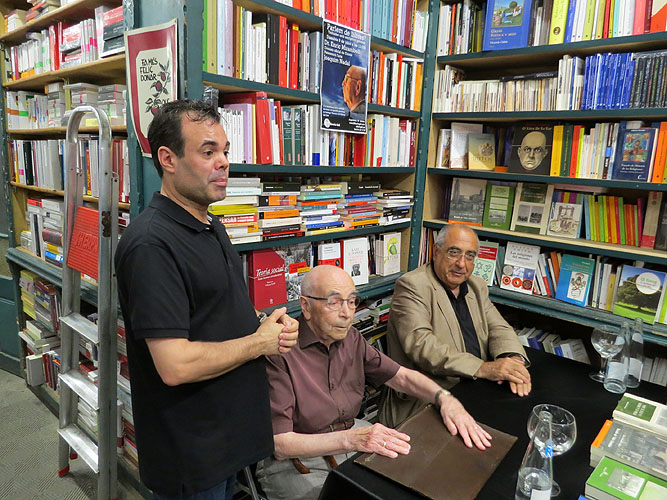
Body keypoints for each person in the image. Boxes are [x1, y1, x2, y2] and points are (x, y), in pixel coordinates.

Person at [114, 100, 299, 499]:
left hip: (228, 436)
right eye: (208, 151)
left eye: (225, 151)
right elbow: (175, 365)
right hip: (193, 452)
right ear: (168, 159)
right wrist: (259, 343)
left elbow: (215, 308)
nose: (223, 162)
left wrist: (265, 324)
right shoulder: (151, 245)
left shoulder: (209, 222)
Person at [257, 265, 492, 500]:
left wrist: (445, 399)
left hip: (348, 436)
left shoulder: (351, 338)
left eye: (352, 302)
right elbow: (281, 444)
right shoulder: (280, 350)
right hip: (296, 458)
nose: (347, 314)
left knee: (412, 479)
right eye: (334, 302)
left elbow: (400, 376)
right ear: (306, 306)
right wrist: (351, 440)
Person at [379, 224, 531, 428]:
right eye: (454, 252)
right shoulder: (412, 286)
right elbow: (422, 346)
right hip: (429, 398)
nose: (461, 264)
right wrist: (483, 368)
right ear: (436, 252)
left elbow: (499, 327)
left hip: (476, 389)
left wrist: (513, 362)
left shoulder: (476, 286)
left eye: (470, 256)